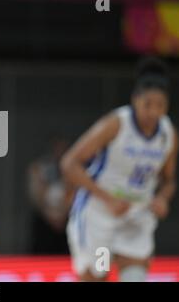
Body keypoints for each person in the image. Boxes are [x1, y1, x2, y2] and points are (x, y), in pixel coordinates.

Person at [61, 57, 177, 282]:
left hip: (136, 216)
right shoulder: (116, 124)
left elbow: (169, 181)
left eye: (160, 106)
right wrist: (108, 199)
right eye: (148, 104)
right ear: (135, 100)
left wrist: (162, 198)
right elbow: (69, 163)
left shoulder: (168, 134)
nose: (153, 112)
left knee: (135, 275)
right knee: (98, 275)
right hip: (101, 214)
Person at [27, 136, 74, 254]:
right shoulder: (39, 167)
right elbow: (36, 195)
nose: (60, 151)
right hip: (45, 218)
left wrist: (64, 214)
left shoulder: (74, 168)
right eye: (57, 147)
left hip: (66, 216)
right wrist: (49, 216)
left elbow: (76, 192)